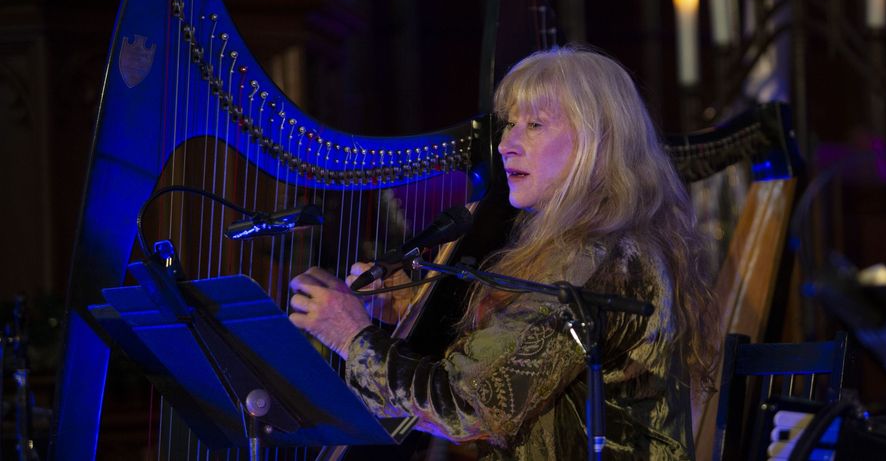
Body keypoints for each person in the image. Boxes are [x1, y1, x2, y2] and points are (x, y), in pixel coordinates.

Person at [288, 46, 718, 460]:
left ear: (597, 141)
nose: (505, 143)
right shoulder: (586, 245)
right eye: (510, 124)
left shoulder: (598, 257)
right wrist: (402, 311)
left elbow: (465, 405)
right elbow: (506, 374)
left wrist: (352, 336)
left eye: (534, 125)